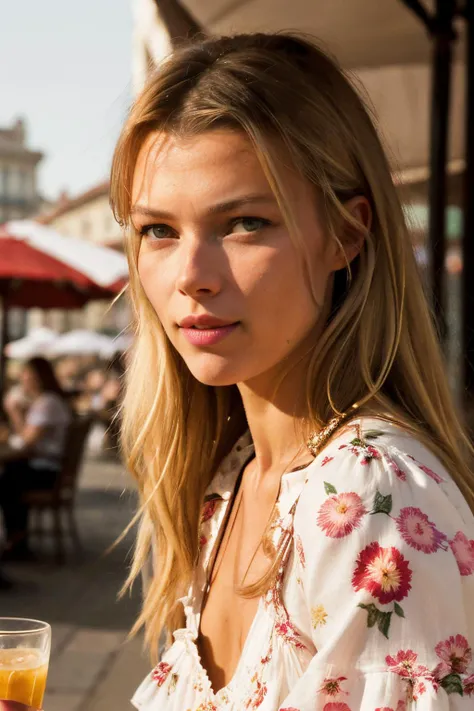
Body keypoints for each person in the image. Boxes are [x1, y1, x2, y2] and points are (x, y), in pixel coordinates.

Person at [110, 33, 474, 710]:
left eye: (245, 222)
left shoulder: (368, 497)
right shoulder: (233, 480)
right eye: (158, 230)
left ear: (346, 233)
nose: (191, 276)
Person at [0, 357, 72, 559]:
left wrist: (14, 412)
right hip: (45, 468)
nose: (23, 378)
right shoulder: (47, 401)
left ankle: (16, 542)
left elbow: (25, 442)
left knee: (7, 481)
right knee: (9, 476)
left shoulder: (48, 403)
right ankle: (17, 541)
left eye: (27, 373)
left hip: (48, 471)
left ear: (38, 377)